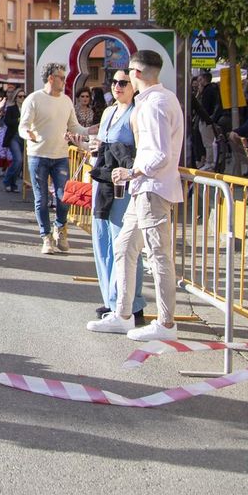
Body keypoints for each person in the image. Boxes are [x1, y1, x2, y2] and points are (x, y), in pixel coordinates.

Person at [87, 49, 185, 341]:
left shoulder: (155, 103)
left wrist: (130, 172)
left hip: (152, 189)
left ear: (137, 73)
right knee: (124, 248)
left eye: (128, 72)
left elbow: (160, 155)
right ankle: (123, 314)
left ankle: (166, 324)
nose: (124, 79)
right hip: (143, 189)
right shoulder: (155, 100)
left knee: (158, 257)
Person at [89, 69, 145, 324]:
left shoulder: (137, 112)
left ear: (133, 86)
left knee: (125, 242)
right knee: (103, 240)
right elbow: (101, 142)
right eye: (114, 82)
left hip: (125, 183)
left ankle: (131, 302)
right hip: (104, 181)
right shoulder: (109, 111)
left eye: (123, 82)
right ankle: (111, 299)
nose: (117, 86)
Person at [20, 62, 82, 255]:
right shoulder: (34, 99)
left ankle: (60, 228)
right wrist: (27, 134)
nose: (64, 81)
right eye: (61, 77)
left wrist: (91, 130)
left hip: (61, 155)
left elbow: (75, 127)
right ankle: (46, 237)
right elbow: (23, 125)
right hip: (38, 155)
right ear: (51, 78)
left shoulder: (66, 101)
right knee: (42, 199)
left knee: (64, 197)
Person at [0, 88, 25, 194]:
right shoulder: (11, 108)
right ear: (15, 97)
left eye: (24, 96)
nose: (22, 98)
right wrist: (18, 120)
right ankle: (6, 181)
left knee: (20, 162)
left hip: (24, 138)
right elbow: (7, 121)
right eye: (20, 96)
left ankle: (13, 184)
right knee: (18, 160)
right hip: (14, 136)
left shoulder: (28, 108)